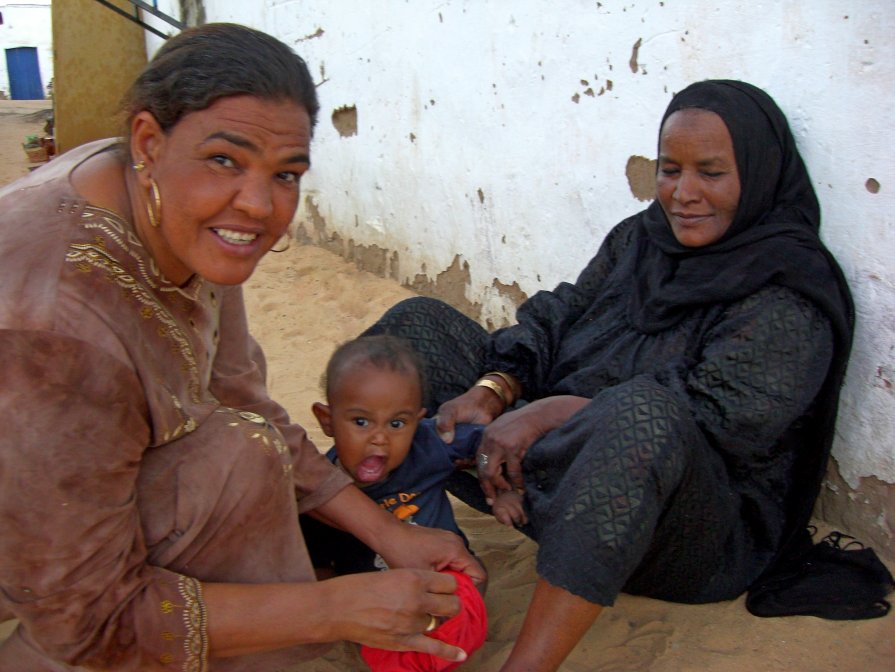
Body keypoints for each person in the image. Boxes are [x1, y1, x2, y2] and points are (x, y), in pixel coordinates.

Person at [0, 23, 485, 671]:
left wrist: (387, 532)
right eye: (224, 160)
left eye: (285, 174)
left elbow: (247, 403)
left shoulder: (177, 211)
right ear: (149, 140)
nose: (258, 205)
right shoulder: (58, 321)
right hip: (27, 515)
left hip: (64, 480)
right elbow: (89, 618)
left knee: (242, 447)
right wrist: (330, 608)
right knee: (226, 469)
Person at [363, 79, 855, 671]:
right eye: (670, 170)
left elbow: (718, 424)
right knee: (414, 329)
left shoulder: (787, 291)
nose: (683, 193)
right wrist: (496, 390)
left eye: (711, 173)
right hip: (538, 474)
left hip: (679, 528)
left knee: (641, 415)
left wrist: (547, 414)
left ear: (759, 173)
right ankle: (351, 540)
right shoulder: (640, 239)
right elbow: (558, 313)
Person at [300, 333, 495, 576]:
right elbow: (318, 567)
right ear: (327, 421)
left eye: (397, 424)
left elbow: (489, 443)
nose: (380, 438)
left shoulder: (427, 444)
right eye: (361, 422)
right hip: (375, 601)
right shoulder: (319, 493)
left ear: (416, 421)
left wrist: (495, 485)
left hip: (447, 569)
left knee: (477, 577)